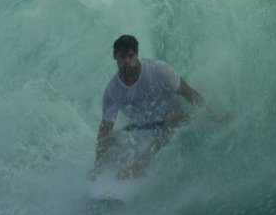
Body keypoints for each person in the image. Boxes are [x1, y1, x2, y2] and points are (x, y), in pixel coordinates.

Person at [91, 34, 226, 179]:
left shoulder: (158, 70)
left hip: (175, 119)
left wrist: (213, 116)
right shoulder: (113, 91)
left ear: (137, 54)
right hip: (145, 128)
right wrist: (97, 166)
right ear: (115, 57)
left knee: (174, 115)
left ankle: (142, 164)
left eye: (131, 56)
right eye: (122, 56)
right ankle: (103, 172)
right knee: (111, 138)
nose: (127, 61)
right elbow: (105, 129)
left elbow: (188, 92)